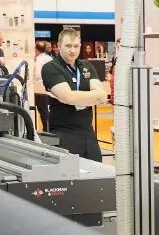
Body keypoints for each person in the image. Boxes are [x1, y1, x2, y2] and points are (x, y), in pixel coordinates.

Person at [39, 26, 109, 161]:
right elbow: (68, 97)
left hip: (88, 132)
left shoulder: (86, 66)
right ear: (59, 46)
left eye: (76, 46)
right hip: (63, 133)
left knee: (96, 170)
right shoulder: (51, 68)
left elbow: (102, 96)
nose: (72, 50)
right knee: (70, 172)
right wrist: (87, 97)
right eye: (68, 46)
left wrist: (74, 97)